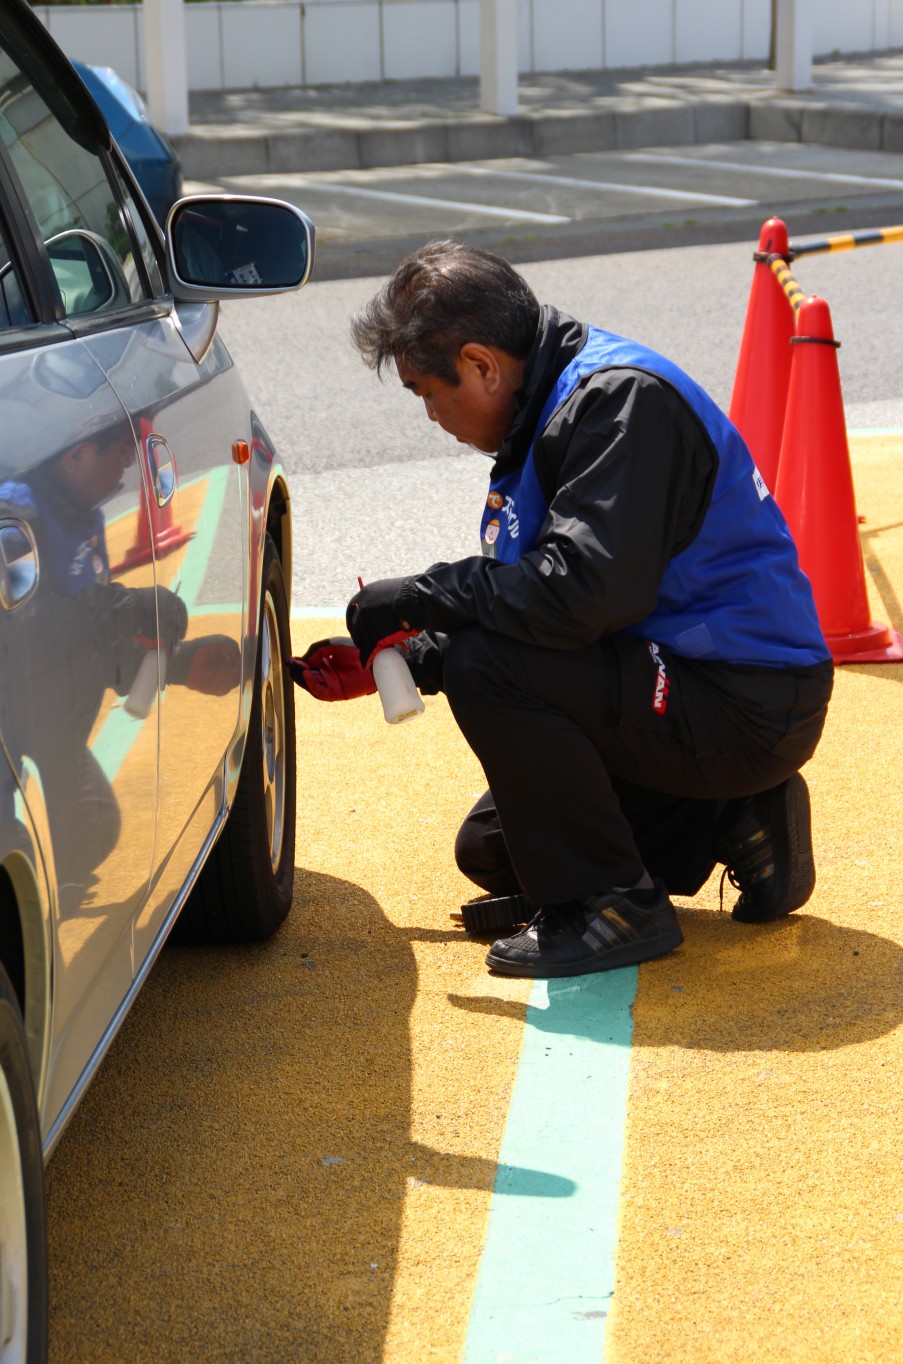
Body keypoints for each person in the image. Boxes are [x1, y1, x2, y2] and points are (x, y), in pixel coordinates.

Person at [293, 240, 834, 979]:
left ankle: (616, 907)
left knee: (490, 670)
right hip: (680, 682)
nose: (428, 414)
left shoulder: (620, 402)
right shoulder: (545, 405)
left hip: (749, 697)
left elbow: (580, 595)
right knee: (492, 850)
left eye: (425, 390)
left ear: (482, 365)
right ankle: (733, 816)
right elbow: (539, 610)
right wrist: (409, 655)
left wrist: (420, 595)